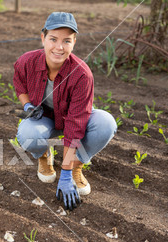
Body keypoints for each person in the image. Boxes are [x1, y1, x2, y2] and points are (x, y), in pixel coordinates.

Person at [13, 12, 117, 211]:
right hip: (45, 118)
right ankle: (44, 155)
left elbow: (75, 124)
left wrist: (66, 173)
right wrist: (27, 105)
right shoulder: (27, 61)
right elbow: (19, 82)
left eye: (66, 41)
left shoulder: (82, 74)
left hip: (74, 117)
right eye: (53, 39)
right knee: (28, 134)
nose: (59, 47)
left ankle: (76, 166)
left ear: (74, 42)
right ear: (43, 38)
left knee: (106, 124)